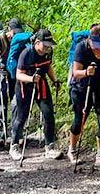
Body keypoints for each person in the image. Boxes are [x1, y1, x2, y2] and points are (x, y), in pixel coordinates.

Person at [10, 29, 63, 161]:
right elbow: (18, 74)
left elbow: (48, 66)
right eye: (45, 44)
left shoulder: (47, 53)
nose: (47, 47)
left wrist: (54, 80)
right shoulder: (26, 53)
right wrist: (31, 79)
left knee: (48, 114)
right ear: (37, 42)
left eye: (49, 45)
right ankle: (14, 145)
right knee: (21, 116)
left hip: (41, 85)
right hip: (24, 86)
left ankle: (49, 146)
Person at [67, 25, 100, 167]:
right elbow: (75, 72)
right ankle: (72, 150)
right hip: (81, 88)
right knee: (79, 120)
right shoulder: (82, 48)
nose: (98, 48)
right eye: (96, 45)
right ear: (90, 40)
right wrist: (86, 72)